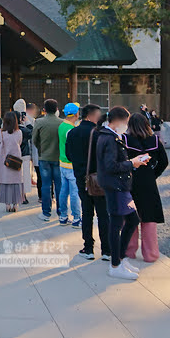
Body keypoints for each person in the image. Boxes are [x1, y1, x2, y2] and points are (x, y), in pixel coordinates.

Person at [95, 106, 148, 280]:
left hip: (119, 187)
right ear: (118, 121)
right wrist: (132, 163)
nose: (127, 125)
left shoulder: (109, 135)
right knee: (119, 224)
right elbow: (111, 166)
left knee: (131, 220)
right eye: (126, 122)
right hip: (116, 187)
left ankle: (119, 259)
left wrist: (132, 162)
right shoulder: (109, 138)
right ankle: (116, 264)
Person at [65, 104, 111, 261]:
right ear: (92, 116)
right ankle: (106, 250)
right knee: (103, 213)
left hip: (82, 178)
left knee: (87, 212)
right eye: (98, 115)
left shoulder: (72, 133)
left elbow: (69, 156)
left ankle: (88, 248)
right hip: (100, 179)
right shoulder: (100, 133)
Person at [122, 113, 169, 262]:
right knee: (149, 220)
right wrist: (152, 174)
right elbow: (164, 162)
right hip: (148, 183)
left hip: (130, 183)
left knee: (130, 218)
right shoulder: (155, 140)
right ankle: (151, 254)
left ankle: (129, 251)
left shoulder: (124, 140)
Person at [32, 99, 62, 221]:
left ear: (44, 109)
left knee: (46, 185)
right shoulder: (62, 123)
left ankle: (46, 213)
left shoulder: (39, 122)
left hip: (44, 157)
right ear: (56, 109)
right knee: (60, 186)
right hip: (58, 157)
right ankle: (62, 212)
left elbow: (34, 140)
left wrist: (41, 149)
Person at [58, 103, 82, 228]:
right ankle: (76, 218)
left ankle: (63, 216)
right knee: (74, 193)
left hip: (62, 163)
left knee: (64, 191)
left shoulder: (62, 125)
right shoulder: (71, 129)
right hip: (71, 165)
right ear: (76, 114)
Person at [0, 112, 24, 212]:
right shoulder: (19, 132)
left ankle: (7, 204)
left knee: (5, 182)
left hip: (4, 161)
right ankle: (15, 204)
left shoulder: (0, 133)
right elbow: (19, 143)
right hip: (15, 161)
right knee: (16, 183)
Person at [12, 100, 33, 204]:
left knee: (15, 176)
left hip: (13, 155)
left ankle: (15, 195)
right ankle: (23, 196)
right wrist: (27, 122)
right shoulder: (23, 129)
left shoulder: (9, 129)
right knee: (24, 176)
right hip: (24, 154)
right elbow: (31, 132)